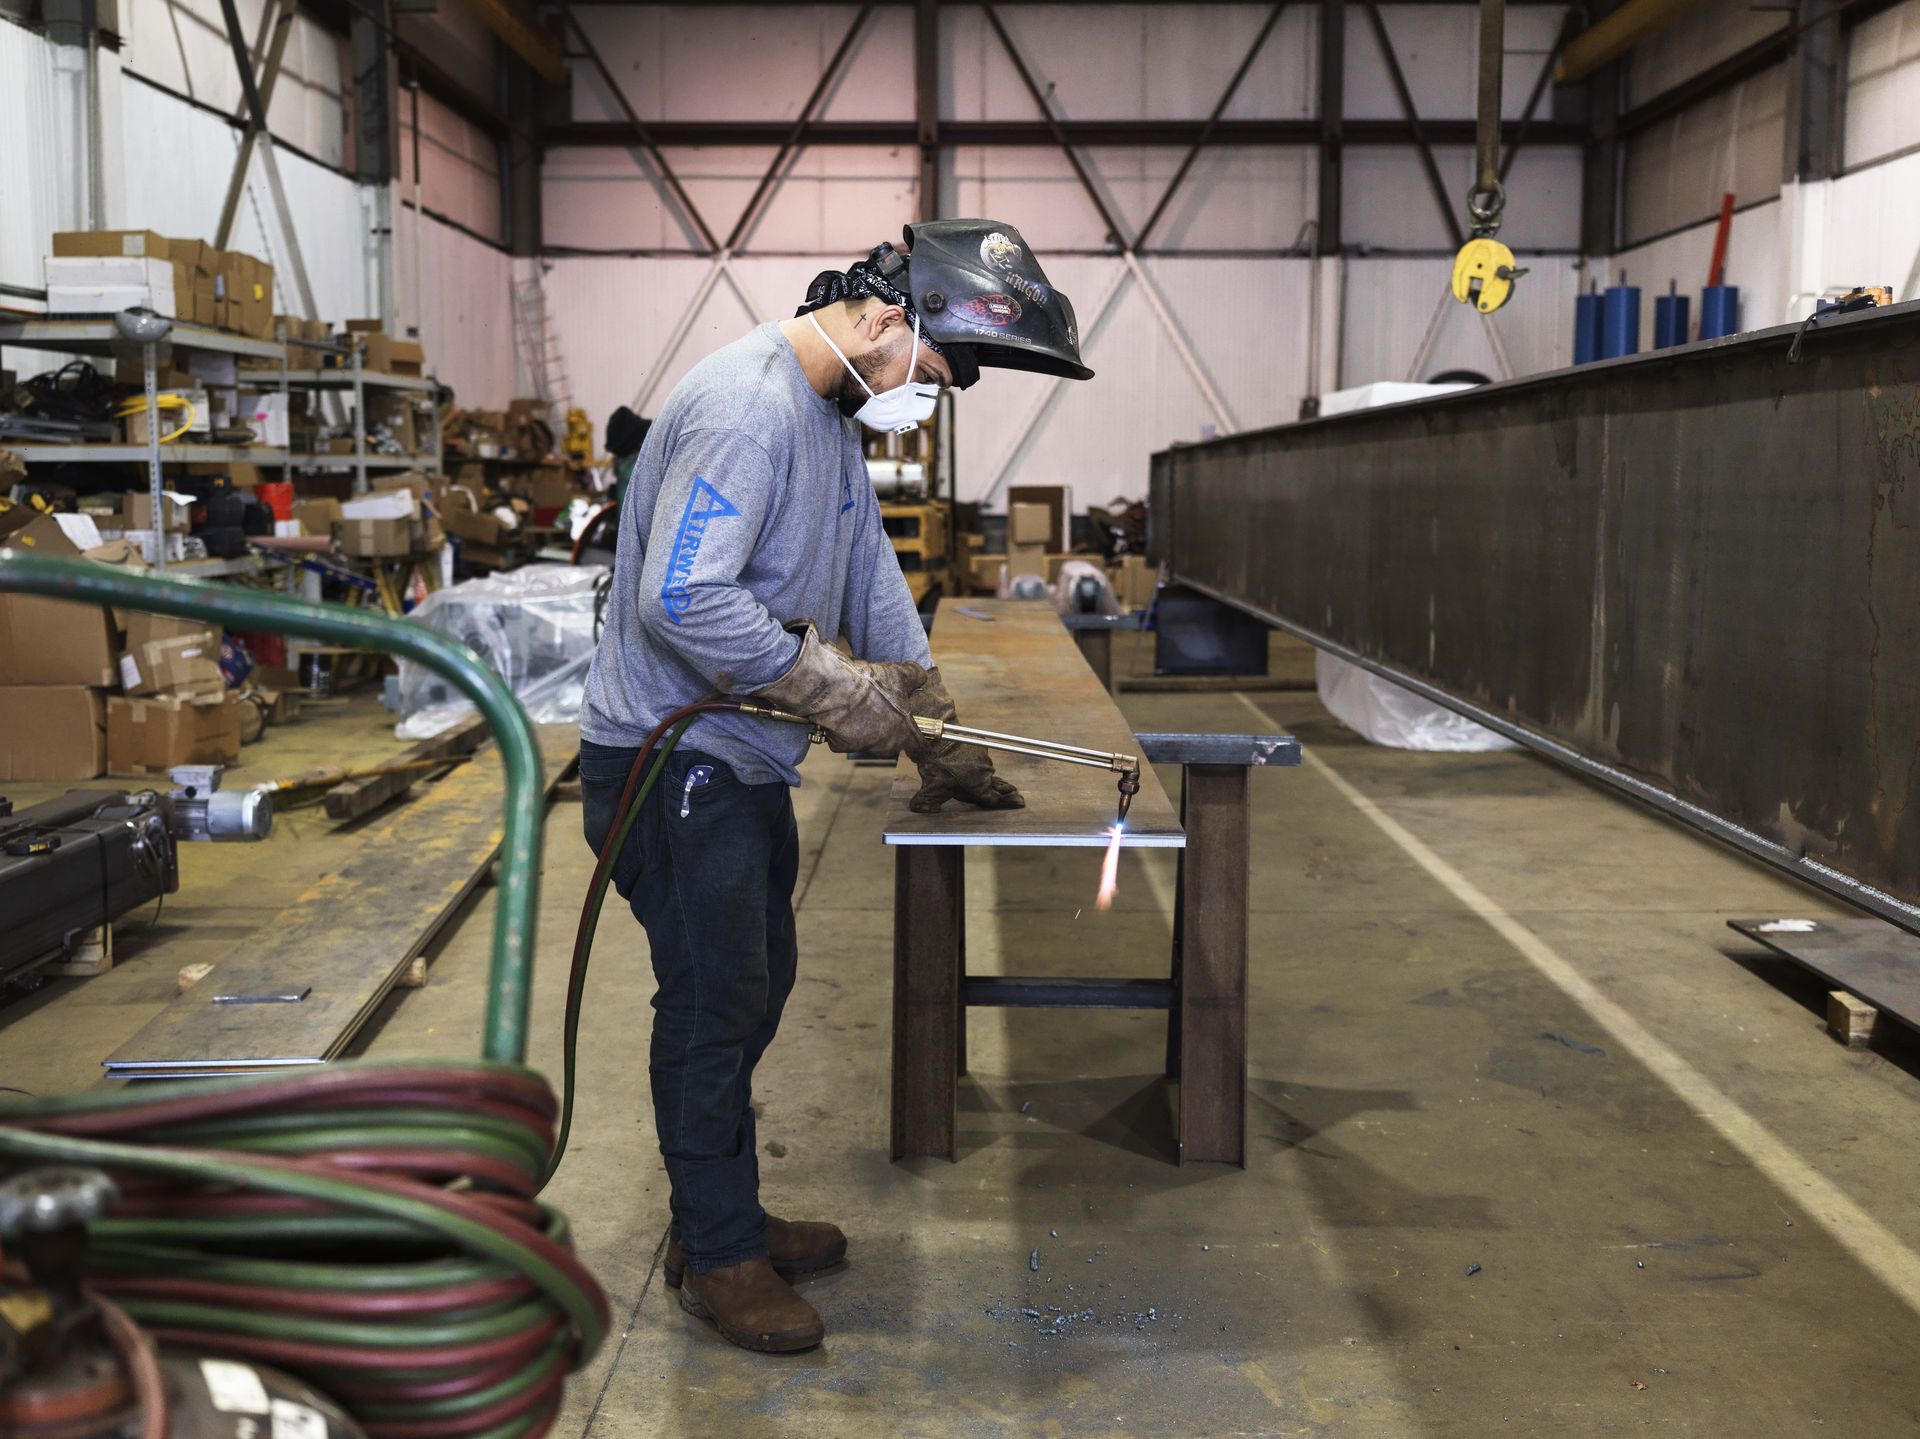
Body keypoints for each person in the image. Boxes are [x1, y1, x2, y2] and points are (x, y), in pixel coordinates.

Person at [577, 220, 1093, 1354]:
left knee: (756, 985)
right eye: (934, 373)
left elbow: (867, 571)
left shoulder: (825, 420)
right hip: (669, 762)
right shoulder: (748, 409)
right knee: (713, 1003)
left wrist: (932, 728)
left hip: (734, 758)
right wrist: (832, 689)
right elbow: (681, 596)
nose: (930, 399)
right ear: (887, 318)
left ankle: (718, 1210)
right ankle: (719, 1250)